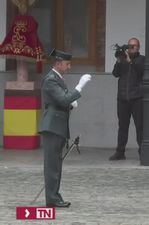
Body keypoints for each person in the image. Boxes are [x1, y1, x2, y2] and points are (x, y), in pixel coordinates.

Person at [39, 49, 91, 207]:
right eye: (67, 64)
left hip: (57, 126)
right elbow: (62, 100)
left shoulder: (57, 78)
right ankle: (52, 199)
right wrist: (79, 87)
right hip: (53, 127)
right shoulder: (51, 79)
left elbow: (61, 102)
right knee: (52, 166)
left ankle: (54, 197)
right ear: (58, 63)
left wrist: (70, 104)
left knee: (56, 164)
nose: (69, 67)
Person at [109, 37, 145, 161]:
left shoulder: (142, 60)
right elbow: (115, 74)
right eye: (129, 46)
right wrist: (119, 60)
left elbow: (141, 72)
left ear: (138, 47)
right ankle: (120, 152)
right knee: (122, 126)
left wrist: (130, 61)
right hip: (122, 98)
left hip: (137, 98)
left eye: (133, 46)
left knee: (140, 126)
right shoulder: (123, 59)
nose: (131, 48)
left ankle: (143, 152)